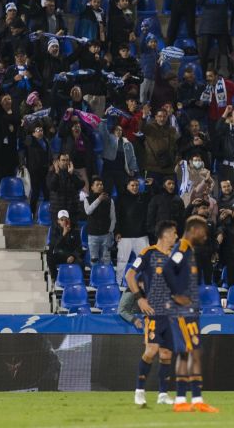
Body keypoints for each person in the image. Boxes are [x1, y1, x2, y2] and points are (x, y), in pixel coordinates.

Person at [162, 215, 219, 412]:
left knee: (189, 353)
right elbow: (167, 269)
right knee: (191, 352)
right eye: (203, 232)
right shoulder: (183, 248)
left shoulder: (189, 250)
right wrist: (177, 295)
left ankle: (187, 400)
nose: (205, 236)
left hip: (189, 310)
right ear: (194, 230)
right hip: (182, 311)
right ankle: (190, 400)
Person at [125, 220, 178, 407]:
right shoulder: (148, 253)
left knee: (166, 355)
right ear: (165, 234)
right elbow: (130, 275)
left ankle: (163, 395)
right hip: (154, 311)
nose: (176, 237)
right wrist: (139, 298)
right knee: (151, 350)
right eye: (174, 233)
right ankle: (139, 391)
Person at [83, 176, 116, 265]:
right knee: (94, 259)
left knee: (106, 259)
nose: (100, 186)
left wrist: (110, 231)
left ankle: (106, 278)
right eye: (97, 185)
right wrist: (99, 199)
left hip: (106, 234)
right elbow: (88, 211)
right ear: (92, 187)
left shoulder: (110, 200)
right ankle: (95, 277)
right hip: (93, 236)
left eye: (101, 184)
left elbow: (113, 217)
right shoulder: (87, 199)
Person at [47, 210, 84, 281]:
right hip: (60, 254)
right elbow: (55, 245)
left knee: (81, 264)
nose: (64, 221)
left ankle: (79, 281)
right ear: (58, 221)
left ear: (69, 220)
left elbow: (79, 247)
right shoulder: (55, 231)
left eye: (66, 219)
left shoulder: (75, 231)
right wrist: (63, 234)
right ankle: (55, 278)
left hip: (71, 255)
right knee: (50, 258)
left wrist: (73, 256)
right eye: (62, 220)